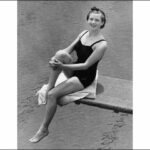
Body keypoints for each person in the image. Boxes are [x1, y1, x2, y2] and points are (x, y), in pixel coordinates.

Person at [29, 6, 108, 143]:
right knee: (59, 53)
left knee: (52, 95)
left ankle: (44, 129)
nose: (93, 22)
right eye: (91, 19)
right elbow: (67, 50)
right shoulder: (83, 33)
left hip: (84, 76)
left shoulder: (101, 44)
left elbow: (86, 65)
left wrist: (62, 66)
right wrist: (55, 59)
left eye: (97, 20)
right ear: (87, 20)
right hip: (74, 68)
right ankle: (50, 87)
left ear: (102, 23)